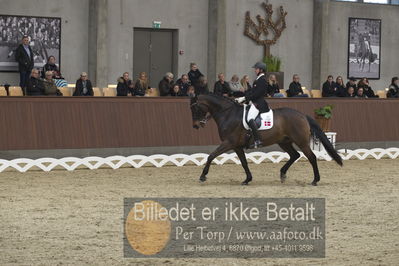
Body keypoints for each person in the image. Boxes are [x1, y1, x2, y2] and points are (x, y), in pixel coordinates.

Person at [235, 62, 269, 149]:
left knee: (250, 118)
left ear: (261, 70)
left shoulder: (263, 80)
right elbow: (252, 92)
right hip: (253, 102)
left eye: (256, 69)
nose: (255, 70)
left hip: (258, 103)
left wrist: (245, 98)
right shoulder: (257, 79)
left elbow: (257, 94)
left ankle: (258, 140)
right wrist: (242, 96)